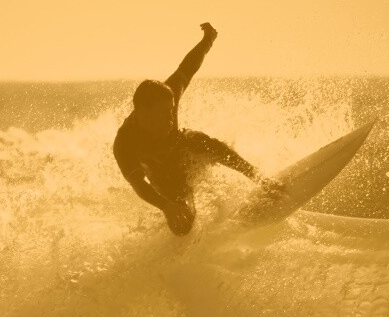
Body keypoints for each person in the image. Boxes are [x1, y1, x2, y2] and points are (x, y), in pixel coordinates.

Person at [113, 23, 275, 235]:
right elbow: (138, 183)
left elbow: (188, 67)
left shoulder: (168, 94)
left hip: (182, 145)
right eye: (163, 113)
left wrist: (208, 39)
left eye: (171, 111)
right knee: (183, 224)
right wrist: (166, 206)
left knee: (202, 141)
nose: (171, 117)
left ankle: (260, 179)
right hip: (162, 172)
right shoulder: (125, 142)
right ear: (143, 112)